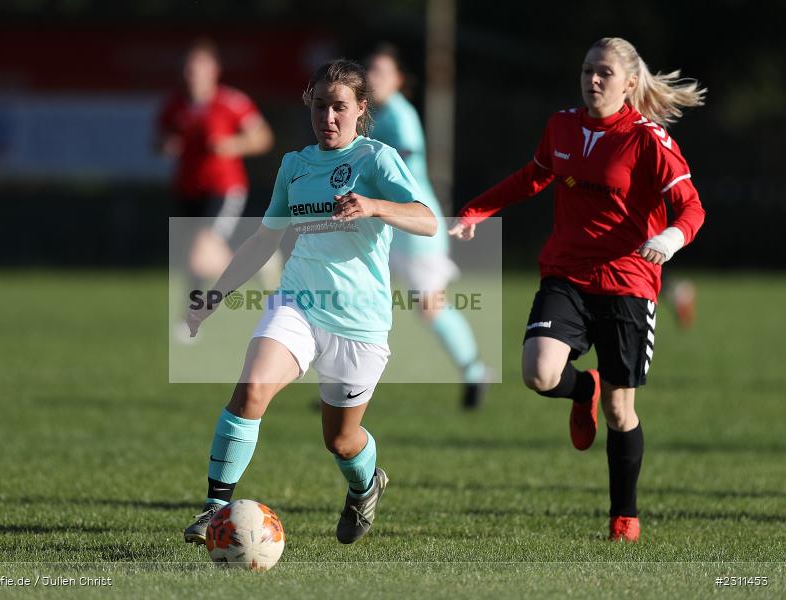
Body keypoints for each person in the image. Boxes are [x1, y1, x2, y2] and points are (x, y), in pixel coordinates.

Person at [449, 37, 706, 542]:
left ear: (629, 83)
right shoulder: (562, 126)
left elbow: (692, 207)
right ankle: (579, 386)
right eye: (587, 70)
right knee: (538, 373)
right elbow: (534, 177)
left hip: (628, 283)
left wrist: (671, 238)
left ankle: (623, 516)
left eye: (604, 73)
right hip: (566, 275)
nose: (592, 80)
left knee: (619, 410)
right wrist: (478, 208)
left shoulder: (648, 139)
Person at [182, 59, 436, 545]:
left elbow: (426, 219)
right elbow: (263, 240)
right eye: (320, 106)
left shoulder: (376, 159)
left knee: (340, 440)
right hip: (297, 303)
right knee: (251, 388)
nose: (329, 117)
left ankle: (366, 485)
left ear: (362, 109)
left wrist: (375, 205)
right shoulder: (295, 166)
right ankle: (214, 509)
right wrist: (213, 296)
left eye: (340, 107)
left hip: (360, 323)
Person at [367, 44, 491, 409]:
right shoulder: (374, 114)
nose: (374, 78)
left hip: (416, 228)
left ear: (398, 80)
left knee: (430, 307)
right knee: (360, 298)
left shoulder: (399, 116)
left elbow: (398, 165)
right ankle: (344, 385)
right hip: (389, 225)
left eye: (382, 72)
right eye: (370, 70)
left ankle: (474, 371)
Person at [157, 39, 276, 341]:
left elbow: (263, 137)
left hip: (223, 189)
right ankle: (192, 317)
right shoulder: (175, 105)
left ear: (214, 71)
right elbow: (159, 142)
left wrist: (232, 145)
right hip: (187, 190)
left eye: (198, 68)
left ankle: (253, 264)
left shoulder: (231, 103)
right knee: (192, 260)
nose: (192, 75)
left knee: (201, 254)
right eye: (188, 68)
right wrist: (165, 146)